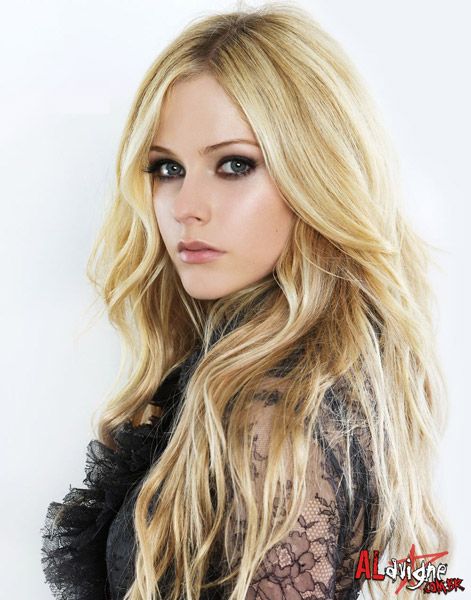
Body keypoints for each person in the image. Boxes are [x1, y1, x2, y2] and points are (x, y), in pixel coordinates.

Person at [40, 4, 450, 600]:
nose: (186, 207)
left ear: (317, 172)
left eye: (235, 165)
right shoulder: (270, 378)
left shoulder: (274, 419)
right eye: (167, 168)